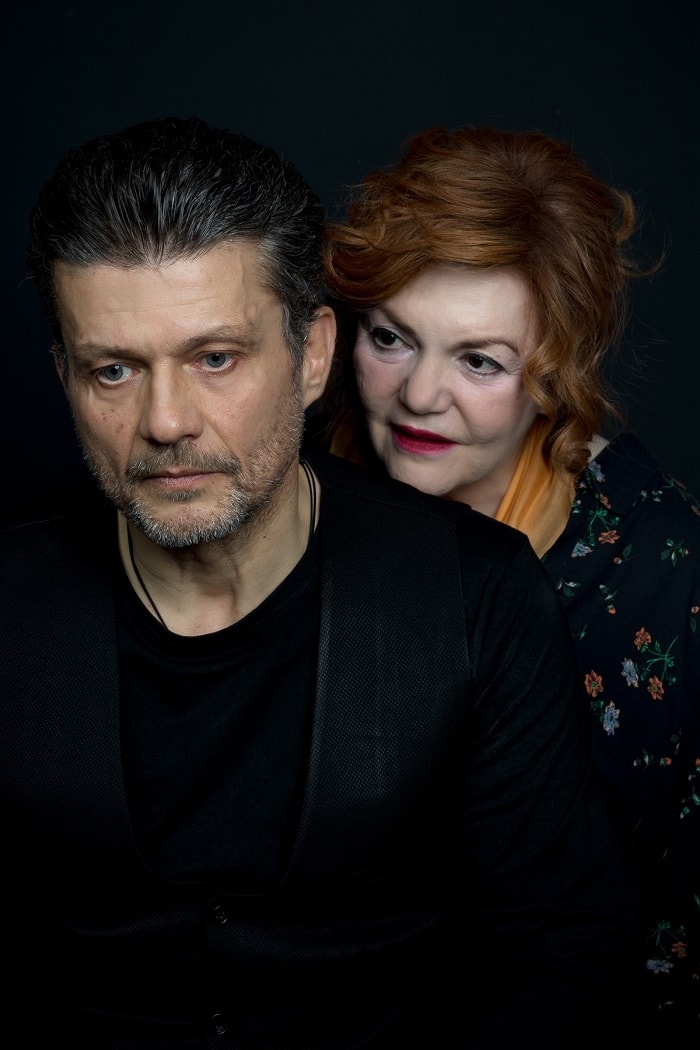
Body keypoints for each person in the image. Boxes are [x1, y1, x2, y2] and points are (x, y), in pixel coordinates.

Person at [0, 115, 634, 1050]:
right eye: (114, 370)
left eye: (216, 358)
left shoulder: (480, 596)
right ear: (65, 377)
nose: (165, 421)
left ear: (312, 355)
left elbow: (566, 953)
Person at [321, 123, 700, 1036]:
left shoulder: (657, 573)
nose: (419, 397)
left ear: (556, 374)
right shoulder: (300, 489)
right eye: (391, 338)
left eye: (479, 360)